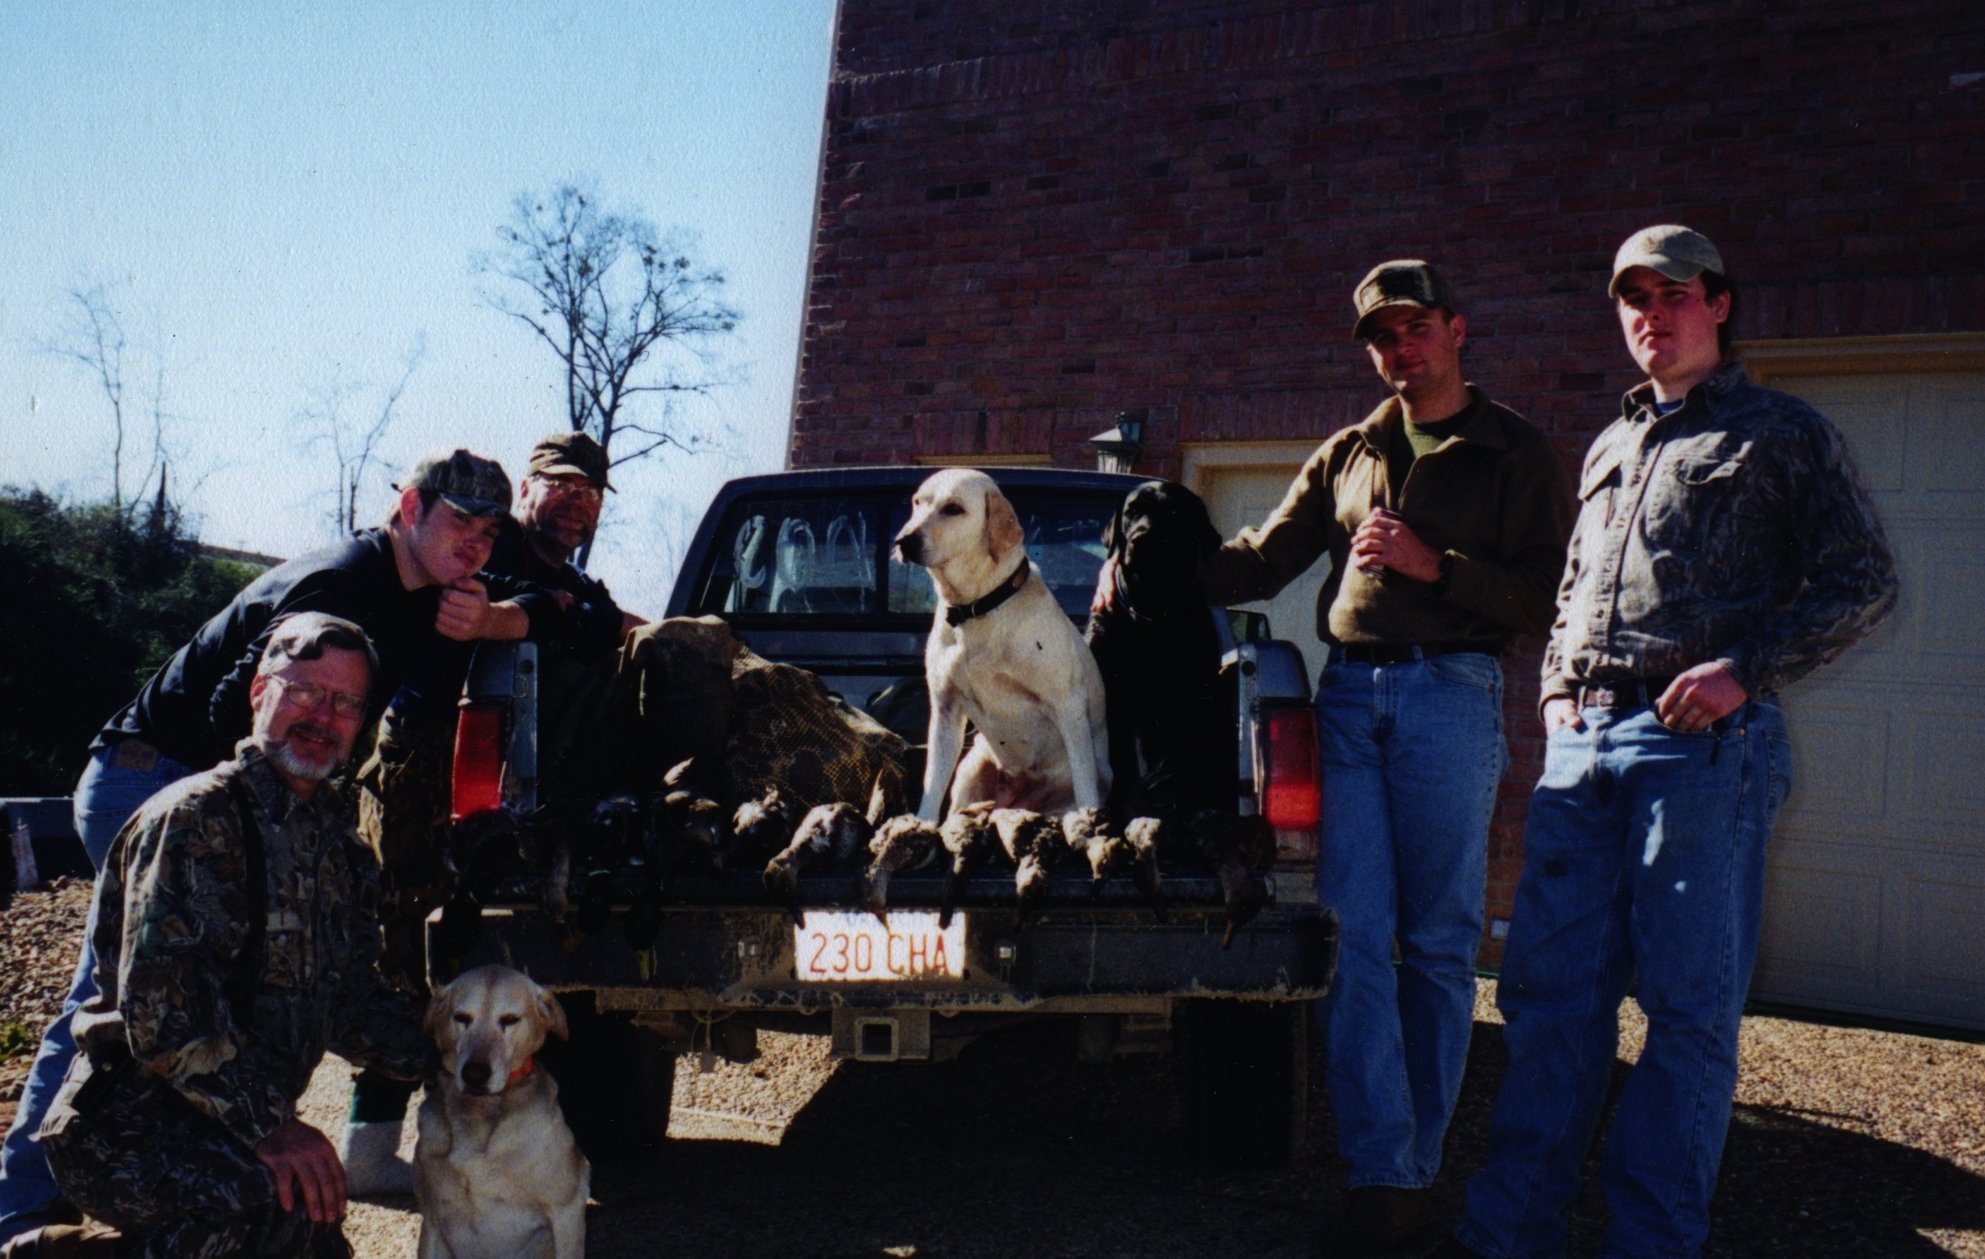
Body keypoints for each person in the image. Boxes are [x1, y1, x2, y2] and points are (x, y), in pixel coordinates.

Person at [1438, 227, 1898, 1259]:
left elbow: (1859, 579)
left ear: (1717, 304)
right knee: (1548, 1001)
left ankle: (1648, 1243)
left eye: (1673, 292)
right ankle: (1506, 1232)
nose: (1651, 311)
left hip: (1699, 755)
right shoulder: (1610, 445)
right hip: (1582, 748)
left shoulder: (1781, 431)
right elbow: (1568, 590)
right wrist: (1557, 686)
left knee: (1685, 1013)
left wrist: (1743, 668)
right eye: (1631, 296)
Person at [0, 450, 549, 1244]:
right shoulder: (338, 588)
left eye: (491, 529)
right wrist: (259, 822)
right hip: (156, 777)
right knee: (118, 997)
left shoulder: (409, 600)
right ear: (409, 507)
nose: (475, 541)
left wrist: (466, 1057)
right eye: (459, 520)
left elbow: (347, 995)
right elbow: (238, 715)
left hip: (250, 797)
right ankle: (28, 1216)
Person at [1199, 261, 1575, 1256]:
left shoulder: (1513, 453)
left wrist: (1432, 567)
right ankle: (1383, 1178)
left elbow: (1545, 596)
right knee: (1354, 939)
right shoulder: (1348, 450)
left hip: (1448, 700)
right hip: (1348, 701)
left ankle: (1408, 1167)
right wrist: (1141, 554)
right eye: (1379, 337)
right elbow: (1259, 557)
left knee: (1441, 944)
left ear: (1455, 328)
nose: (1398, 349)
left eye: (1414, 328)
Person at [0, 614, 429, 1259]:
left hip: (231, 1125)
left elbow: (351, 1002)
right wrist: (276, 1128)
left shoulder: (343, 847)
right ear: (260, 692)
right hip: (128, 1128)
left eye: (346, 703)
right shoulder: (193, 819)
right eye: (306, 691)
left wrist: (461, 1054)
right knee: (273, 1203)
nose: (323, 716)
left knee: (310, 1227)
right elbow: (162, 1022)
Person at [342, 431, 645, 1191]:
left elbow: (593, 617)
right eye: (562, 485)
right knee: (397, 950)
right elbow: (504, 613)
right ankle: (367, 1146)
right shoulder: (484, 545)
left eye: (592, 493)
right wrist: (530, 612)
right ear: (530, 490)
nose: (576, 503)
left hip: (498, 800)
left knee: (456, 972)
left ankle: (449, 1142)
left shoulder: (565, 576)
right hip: (416, 768)